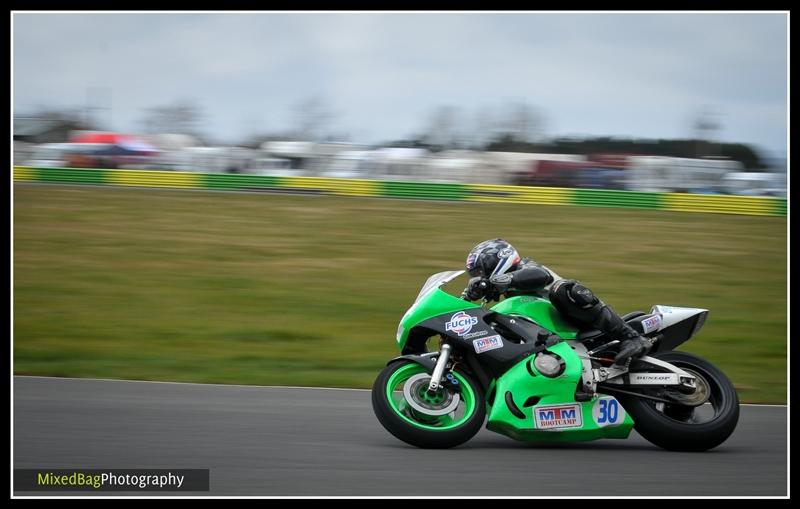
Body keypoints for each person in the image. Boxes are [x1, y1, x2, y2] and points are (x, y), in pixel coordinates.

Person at [462, 238, 652, 366]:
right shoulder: (510, 298)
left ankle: (632, 337)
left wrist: (495, 281)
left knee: (563, 290)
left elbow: (539, 276)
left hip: (581, 323)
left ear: (497, 260)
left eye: (481, 272)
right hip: (559, 337)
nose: (482, 277)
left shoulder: (527, 267)